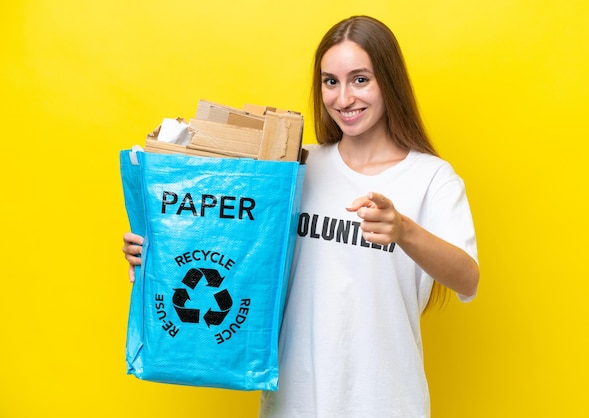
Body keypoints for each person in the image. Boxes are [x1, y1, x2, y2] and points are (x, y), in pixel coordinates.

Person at [123, 15, 479, 418]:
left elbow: (468, 278)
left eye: (360, 79)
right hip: (293, 402)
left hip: (386, 401)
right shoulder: (294, 169)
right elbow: (232, 250)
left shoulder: (431, 178)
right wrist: (160, 248)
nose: (343, 98)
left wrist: (404, 231)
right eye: (331, 81)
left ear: (389, 81)